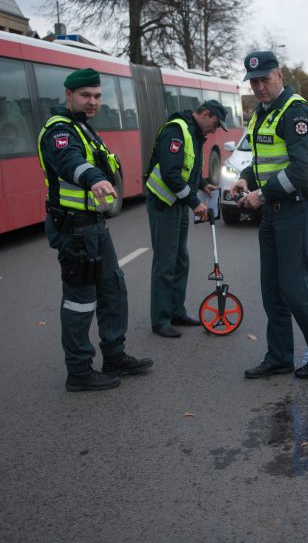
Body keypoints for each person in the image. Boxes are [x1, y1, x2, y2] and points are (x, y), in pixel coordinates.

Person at [37, 68, 153, 392]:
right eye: (86, 95)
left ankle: (114, 355)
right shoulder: (59, 131)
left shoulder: (84, 127)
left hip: (94, 226)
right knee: (80, 301)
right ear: (69, 95)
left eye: (98, 96)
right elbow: (69, 160)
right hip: (73, 229)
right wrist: (94, 178)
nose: (93, 101)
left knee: (113, 289)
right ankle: (79, 371)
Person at [233, 51, 308, 379]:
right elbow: (264, 161)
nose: (260, 86)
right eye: (254, 81)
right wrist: (246, 179)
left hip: (295, 207)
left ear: (279, 75)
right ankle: (279, 356)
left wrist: (261, 194)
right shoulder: (262, 114)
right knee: (272, 288)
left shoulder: (294, 111)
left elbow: (302, 169)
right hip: (272, 210)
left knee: (294, 286)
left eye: (265, 79)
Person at [145, 99, 228, 338]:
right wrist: (194, 202)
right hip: (164, 203)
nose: (215, 130)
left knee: (180, 259)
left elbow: (187, 168)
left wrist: (203, 184)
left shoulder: (193, 132)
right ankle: (160, 320)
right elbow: (171, 174)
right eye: (215, 123)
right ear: (205, 114)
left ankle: (176, 312)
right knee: (166, 262)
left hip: (177, 202)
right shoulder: (177, 130)